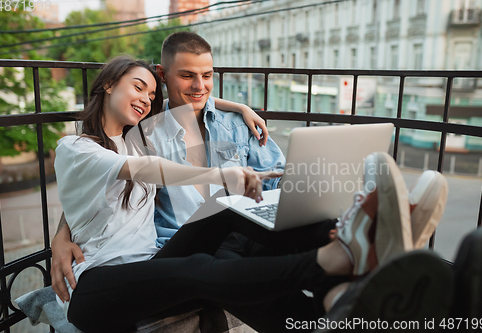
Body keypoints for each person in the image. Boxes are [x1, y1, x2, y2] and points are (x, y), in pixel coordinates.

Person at [51, 54, 433, 333]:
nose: (146, 99)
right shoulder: (77, 148)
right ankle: (335, 256)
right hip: (96, 289)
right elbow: (143, 172)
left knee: (226, 208)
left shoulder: (137, 138)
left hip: (152, 263)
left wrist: (241, 108)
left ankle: (349, 245)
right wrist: (60, 238)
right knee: (198, 267)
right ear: (106, 84)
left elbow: (193, 101)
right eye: (138, 87)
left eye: (151, 93)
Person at [52, 31, 290, 299]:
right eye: (187, 75)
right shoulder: (141, 134)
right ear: (163, 74)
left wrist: (241, 107)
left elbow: (278, 177)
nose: (199, 85)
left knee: (303, 236)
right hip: (179, 248)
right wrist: (62, 233)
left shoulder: (236, 123)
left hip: (241, 233)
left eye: (207, 76)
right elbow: (97, 181)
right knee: (228, 235)